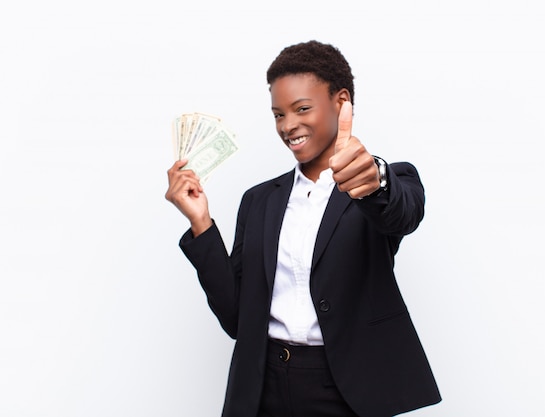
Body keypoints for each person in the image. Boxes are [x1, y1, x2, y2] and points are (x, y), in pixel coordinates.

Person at [165, 40, 441, 417]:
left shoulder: (384, 182)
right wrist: (200, 222)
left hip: (345, 388)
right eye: (279, 114)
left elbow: (401, 213)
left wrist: (375, 178)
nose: (288, 125)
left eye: (302, 109)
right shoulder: (259, 201)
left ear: (341, 102)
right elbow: (236, 319)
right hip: (264, 386)